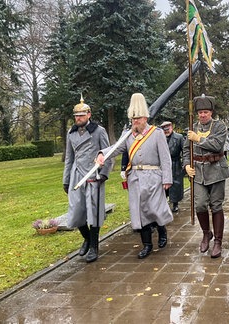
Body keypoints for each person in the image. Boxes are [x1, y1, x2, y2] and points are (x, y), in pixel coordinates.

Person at [96, 93, 173, 259]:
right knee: (139, 212)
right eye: (132, 119)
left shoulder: (156, 133)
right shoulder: (127, 135)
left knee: (154, 209)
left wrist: (167, 179)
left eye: (137, 118)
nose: (135, 122)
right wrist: (103, 154)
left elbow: (165, 158)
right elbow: (115, 148)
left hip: (154, 176)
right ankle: (147, 245)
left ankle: (162, 231)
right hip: (135, 178)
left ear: (145, 118)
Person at [63, 96, 113, 263]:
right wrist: (66, 179)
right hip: (77, 176)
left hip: (93, 175)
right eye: (76, 115)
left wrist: (104, 174)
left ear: (89, 114)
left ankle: (94, 246)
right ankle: (87, 238)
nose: (78, 118)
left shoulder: (99, 131)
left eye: (82, 115)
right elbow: (69, 158)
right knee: (76, 212)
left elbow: (108, 154)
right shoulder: (71, 133)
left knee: (94, 212)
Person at [183, 94, 229, 258]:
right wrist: (186, 165)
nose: (203, 115)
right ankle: (206, 233)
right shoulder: (192, 126)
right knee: (200, 204)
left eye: (206, 112)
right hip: (198, 172)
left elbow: (217, 146)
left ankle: (218, 241)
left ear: (211, 113)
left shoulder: (219, 126)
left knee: (216, 205)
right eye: (200, 112)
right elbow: (186, 149)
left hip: (216, 170)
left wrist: (198, 139)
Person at [160, 121, 184, 213]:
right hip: (163, 165)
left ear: (171, 127)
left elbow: (185, 150)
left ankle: (175, 203)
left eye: (168, 128)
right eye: (164, 129)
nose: (167, 131)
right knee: (163, 185)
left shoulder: (179, 137)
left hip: (175, 164)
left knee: (175, 185)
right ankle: (163, 204)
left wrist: (184, 164)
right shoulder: (160, 138)